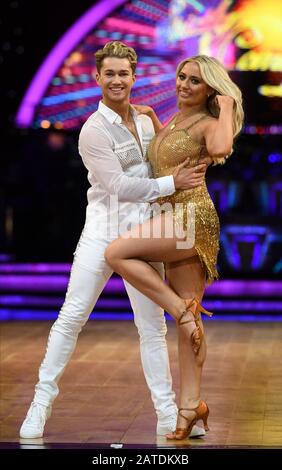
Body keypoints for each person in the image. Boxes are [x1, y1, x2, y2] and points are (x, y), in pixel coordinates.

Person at [19, 42, 209, 439]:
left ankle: (166, 415)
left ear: (134, 77)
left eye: (124, 74)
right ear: (98, 78)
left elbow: (165, 154)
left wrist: (167, 133)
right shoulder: (92, 130)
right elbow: (119, 186)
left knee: (152, 328)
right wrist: (173, 182)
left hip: (143, 237)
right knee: (71, 318)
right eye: (110, 74)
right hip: (102, 233)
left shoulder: (142, 120)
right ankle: (40, 405)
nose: (117, 80)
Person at [105, 54, 244, 439]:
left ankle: (177, 312)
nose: (183, 84)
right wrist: (151, 120)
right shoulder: (175, 120)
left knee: (116, 253)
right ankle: (190, 408)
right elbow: (164, 161)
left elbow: (218, 149)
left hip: (191, 217)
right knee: (193, 323)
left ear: (209, 89)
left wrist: (227, 102)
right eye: (181, 76)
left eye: (195, 81)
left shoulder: (209, 123)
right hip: (171, 214)